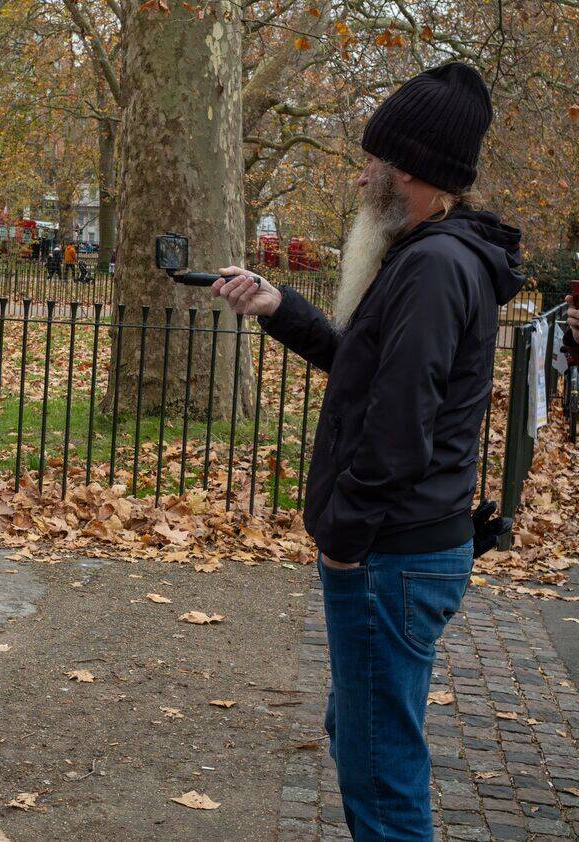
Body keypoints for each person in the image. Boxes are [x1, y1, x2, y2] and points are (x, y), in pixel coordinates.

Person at [212, 63, 522, 839]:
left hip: (392, 554)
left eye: (371, 161)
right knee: (364, 737)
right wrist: (279, 306)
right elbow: (371, 368)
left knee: (379, 775)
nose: (359, 177)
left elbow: (398, 425)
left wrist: (344, 541)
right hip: (404, 548)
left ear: (408, 170)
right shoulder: (434, 256)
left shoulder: (435, 266)